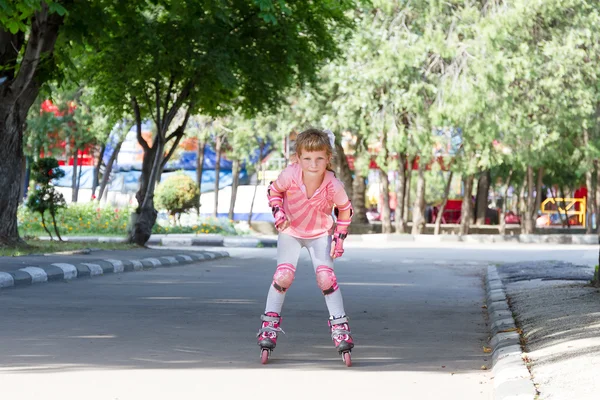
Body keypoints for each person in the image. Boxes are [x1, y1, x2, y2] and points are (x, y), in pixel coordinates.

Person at [256, 128, 354, 364]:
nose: (313, 164)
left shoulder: (333, 184)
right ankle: (269, 325)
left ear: (328, 158)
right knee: (283, 276)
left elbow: (346, 209)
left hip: (319, 233)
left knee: (326, 278)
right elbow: (273, 191)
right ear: (298, 158)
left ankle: (340, 327)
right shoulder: (290, 174)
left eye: (320, 158)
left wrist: (339, 238)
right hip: (291, 231)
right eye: (307, 158)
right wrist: (278, 212)